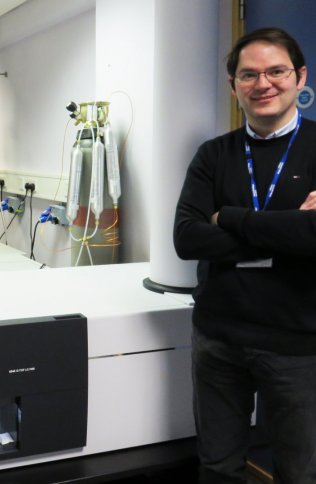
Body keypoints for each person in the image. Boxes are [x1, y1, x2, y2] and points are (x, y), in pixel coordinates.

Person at [174, 27, 316, 483]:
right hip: (218, 338)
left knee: (299, 471)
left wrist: (228, 217)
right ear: (233, 86)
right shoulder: (214, 155)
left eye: (276, 71)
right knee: (218, 467)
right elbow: (187, 238)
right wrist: (288, 227)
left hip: (297, 343)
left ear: (300, 77)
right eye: (248, 74)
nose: (263, 84)